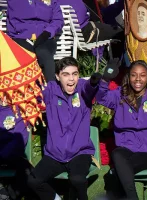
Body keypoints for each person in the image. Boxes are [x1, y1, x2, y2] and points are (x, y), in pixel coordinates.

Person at [96, 59, 147, 199]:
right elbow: (101, 98)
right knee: (117, 154)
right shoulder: (119, 95)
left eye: (142, 75)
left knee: (118, 172)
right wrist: (105, 79)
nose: (138, 79)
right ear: (129, 77)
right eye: (134, 75)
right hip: (126, 148)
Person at [27, 57, 102, 200]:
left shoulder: (82, 88)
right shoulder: (50, 90)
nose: (71, 79)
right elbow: (36, 93)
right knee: (33, 181)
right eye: (66, 74)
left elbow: (89, 89)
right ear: (57, 76)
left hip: (79, 152)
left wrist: (93, 83)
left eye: (74, 74)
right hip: (55, 154)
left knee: (78, 180)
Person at [6, 0, 64, 82]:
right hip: (21, 36)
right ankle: (27, 90)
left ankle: (52, 89)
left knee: (44, 54)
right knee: (26, 56)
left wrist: (48, 32)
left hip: (45, 36)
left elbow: (58, 19)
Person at [0, 106, 34, 199]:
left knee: (30, 175)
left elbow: (20, 139)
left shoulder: (21, 109)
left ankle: (7, 193)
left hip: (12, 155)